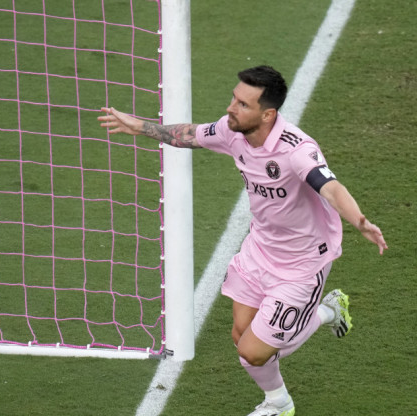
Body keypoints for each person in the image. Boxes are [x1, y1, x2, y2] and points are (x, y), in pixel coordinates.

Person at [98, 65, 387, 416]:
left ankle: (289, 384)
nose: (231, 108)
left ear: (268, 114)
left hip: (302, 263)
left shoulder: (297, 149)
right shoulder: (231, 131)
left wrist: (359, 221)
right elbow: (186, 135)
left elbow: (330, 186)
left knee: (253, 351)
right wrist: (139, 126)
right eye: (234, 98)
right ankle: (308, 347)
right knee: (242, 335)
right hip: (260, 250)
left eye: (243, 104)